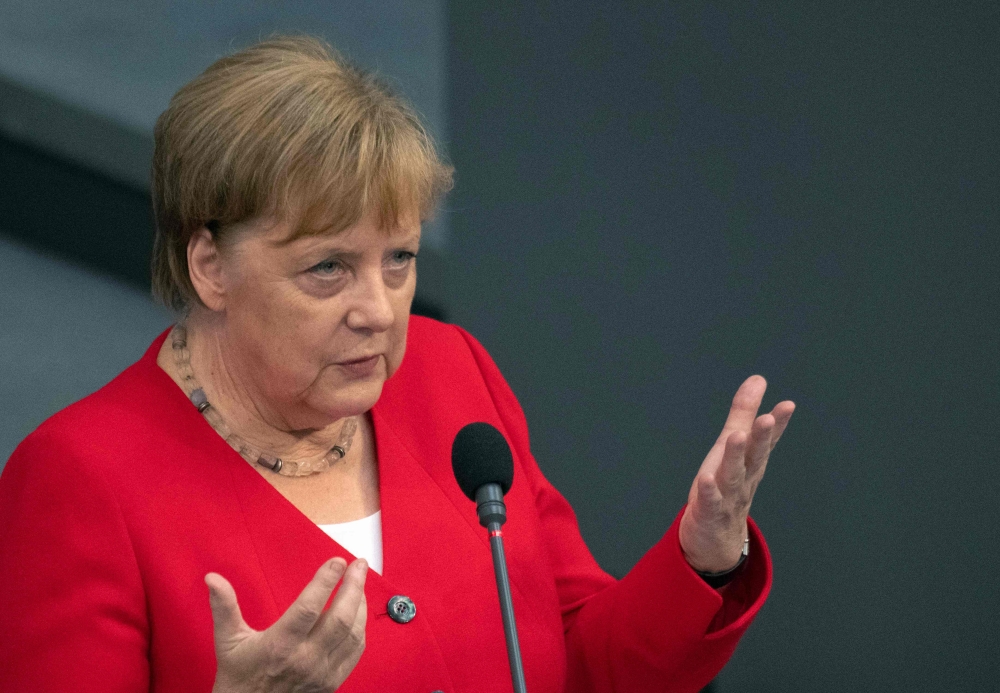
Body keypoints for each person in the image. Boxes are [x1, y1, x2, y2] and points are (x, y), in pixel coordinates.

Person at [0, 36, 794, 693]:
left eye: (399, 258)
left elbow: (576, 660)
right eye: (328, 267)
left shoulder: (451, 375)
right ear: (210, 266)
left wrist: (700, 559)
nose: (379, 310)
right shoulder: (82, 481)